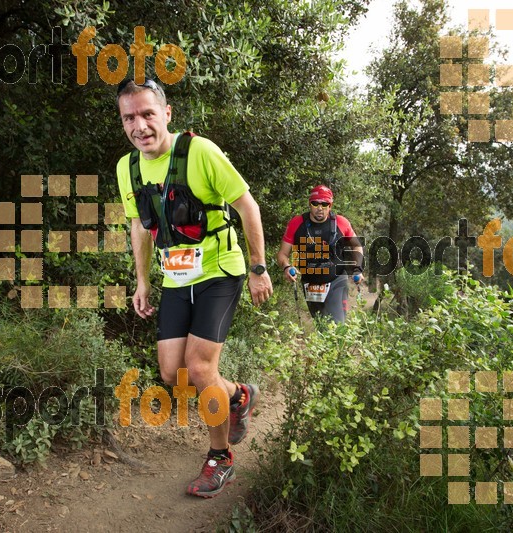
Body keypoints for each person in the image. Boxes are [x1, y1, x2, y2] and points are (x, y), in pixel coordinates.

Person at [116, 79, 273, 498]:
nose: (140, 125)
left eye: (147, 113)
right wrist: (143, 281)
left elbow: (247, 206)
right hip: (175, 277)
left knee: (201, 369)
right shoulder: (126, 168)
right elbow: (140, 225)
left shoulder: (198, 152)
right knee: (172, 372)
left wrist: (259, 268)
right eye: (129, 117)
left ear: (166, 114)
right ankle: (238, 396)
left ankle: (220, 459)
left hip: (220, 270)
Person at [276, 185, 363, 323]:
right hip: (310, 285)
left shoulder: (341, 223)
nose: (320, 207)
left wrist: (357, 269)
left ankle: (339, 343)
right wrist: (287, 267)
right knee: (321, 326)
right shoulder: (296, 224)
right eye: (315, 203)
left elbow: (357, 246)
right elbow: (282, 254)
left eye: (324, 204)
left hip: (336, 280)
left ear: (330, 205)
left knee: (336, 326)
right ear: (309, 204)